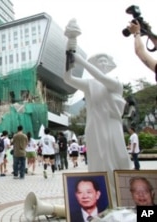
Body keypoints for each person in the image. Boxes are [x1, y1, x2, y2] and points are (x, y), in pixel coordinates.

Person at [64, 21, 131, 204]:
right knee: (98, 162)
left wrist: (80, 60)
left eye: (104, 61)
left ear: (110, 66)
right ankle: (103, 202)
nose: (101, 63)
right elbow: (68, 77)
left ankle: (124, 201)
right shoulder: (89, 85)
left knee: (120, 159)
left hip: (113, 128)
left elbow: (101, 78)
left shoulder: (116, 83)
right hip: (95, 128)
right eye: (98, 60)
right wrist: (69, 54)